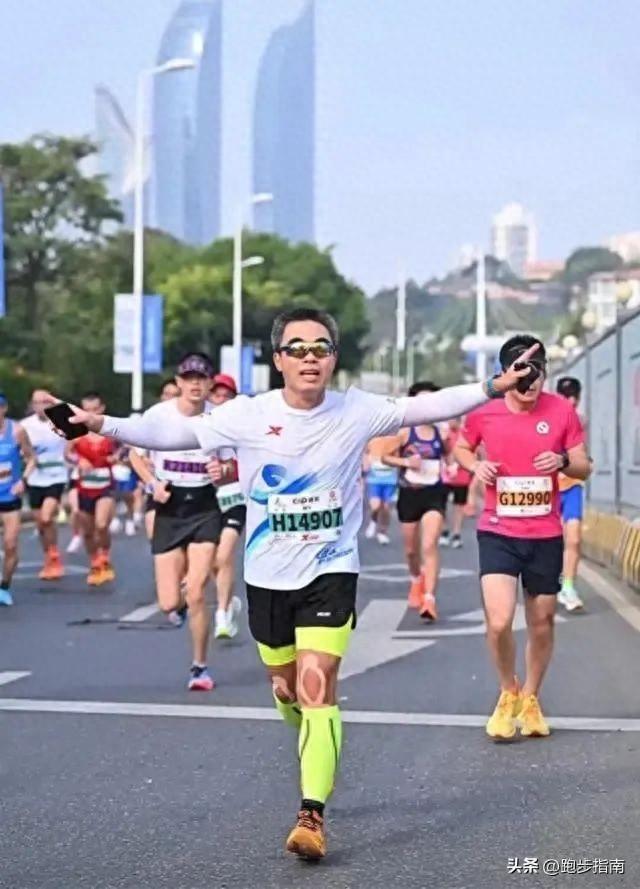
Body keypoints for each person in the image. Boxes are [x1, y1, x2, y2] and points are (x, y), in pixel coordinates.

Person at [47, 307, 532, 860]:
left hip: (331, 569)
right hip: (268, 576)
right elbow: (173, 432)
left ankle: (311, 815)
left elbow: (429, 405)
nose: (309, 358)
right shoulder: (249, 414)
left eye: (320, 348)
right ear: (279, 359)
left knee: (318, 686)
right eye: (296, 348)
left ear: (333, 358)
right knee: (287, 690)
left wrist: (495, 386)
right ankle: (314, 737)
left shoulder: (356, 410)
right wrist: (100, 424)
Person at [454, 335, 591, 741]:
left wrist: (562, 460)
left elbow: (584, 465)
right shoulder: (485, 411)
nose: (530, 385)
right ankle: (507, 690)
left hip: (545, 534)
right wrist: (475, 466)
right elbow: (462, 448)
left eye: (537, 375)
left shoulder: (562, 410)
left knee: (542, 621)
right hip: (498, 530)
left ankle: (530, 697)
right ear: (506, 375)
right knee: (499, 622)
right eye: (522, 376)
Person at [127, 354, 221, 690]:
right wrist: (152, 484)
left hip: (205, 507)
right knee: (169, 602)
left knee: (196, 590)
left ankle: (200, 667)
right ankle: (177, 607)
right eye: (189, 378)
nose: (195, 384)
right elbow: (135, 454)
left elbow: (232, 463)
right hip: (169, 504)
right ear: (178, 382)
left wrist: (222, 470)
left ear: (210, 383)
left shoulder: (220, 418)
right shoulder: (158, 415)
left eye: (201, 378)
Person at [381, 382, 449, 620]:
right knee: (411, 551)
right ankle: (415, 579)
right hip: (410, 493)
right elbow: (385, 457)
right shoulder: (404, 432)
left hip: (434, 494)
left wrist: (449, 466)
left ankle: (429, 599)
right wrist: (406, 462)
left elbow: (449, 455)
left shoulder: (441, 433)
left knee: (429, 545)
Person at [65, 392, 118, 586]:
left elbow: (126, 450)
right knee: (87, 531)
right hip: (84, 487)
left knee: (101, 525)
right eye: (87, 409)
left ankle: (105, 557)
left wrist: (116, 458)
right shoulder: (76, 432)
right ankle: (95, 562)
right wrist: (78, 460)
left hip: (105, 487)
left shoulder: (110, 430)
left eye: (95, 409)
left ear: (102, 408)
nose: (91, 413)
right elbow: (67, 455)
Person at [207, 373, 244, 640]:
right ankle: (228, 599)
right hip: (207, 500)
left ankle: (222, 615)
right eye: (217, 395)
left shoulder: (241, 427)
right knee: (210, 561)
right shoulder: (201, 424)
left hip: (235, 497)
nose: (221, 400)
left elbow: (247, 462)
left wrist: (227, 469)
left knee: (224, 555)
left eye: (226, 396)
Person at [21, 389, 69, 580]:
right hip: (35, 478)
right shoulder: (24, 426)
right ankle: (49, 557)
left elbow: (77, 439)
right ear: (32, 405)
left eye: (45, 402)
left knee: (47, 517)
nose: (41, 406)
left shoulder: (61, 421)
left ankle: (54, 556)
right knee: (41, 524)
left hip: (56, 476)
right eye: (37, 402)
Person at [555, 377, 587, 612]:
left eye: (575, 395)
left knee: (574, 538)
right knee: (553, 541)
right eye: (567, 395)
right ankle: (553, 579)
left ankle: (568, 587)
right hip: (550, 488)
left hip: (573, 486)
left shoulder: (581, 421)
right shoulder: (547, 420)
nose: (572, 400)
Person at [0, 393, 35, 605]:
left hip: (9, 496)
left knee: (11, 545)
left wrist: (23, 480)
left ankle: (4, 586)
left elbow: (31, 459)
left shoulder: (17, 431)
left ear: (4, 409)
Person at [441, 417, 472, 549]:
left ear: (458, 422)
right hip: (445, 476)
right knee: (441, 505)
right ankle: (444, 531)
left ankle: (456, 533)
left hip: (461, 476)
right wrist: (444, 440)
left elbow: (471, 452)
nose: (450, 423)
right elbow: (442, 452)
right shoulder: (445, 434)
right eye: (449, 420)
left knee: (459, 506)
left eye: (453, 420)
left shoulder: (465, 434)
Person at [362, 436, 398, 545]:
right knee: (376, 506)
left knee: (386, 508)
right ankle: (373, 522)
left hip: (390, 481)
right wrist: (364, 469)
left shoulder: (394, 441)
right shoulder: (372, 441)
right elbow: (365, 457)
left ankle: (382, 532)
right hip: (374, 480)